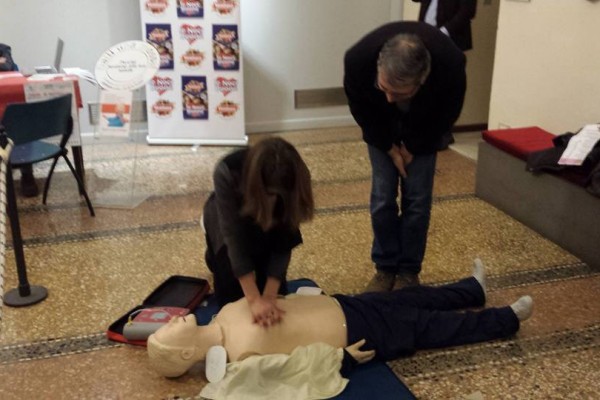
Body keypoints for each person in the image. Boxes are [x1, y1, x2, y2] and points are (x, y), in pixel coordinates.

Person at [147, 259, 534, 378]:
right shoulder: (238, 358)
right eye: (167, 333)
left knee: (415, 296)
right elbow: (293, 372)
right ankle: (506, 318)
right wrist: (342, 359)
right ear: (184, 357)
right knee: (432, 327)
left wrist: (301, 298)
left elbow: (278, 301)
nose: (171, 321)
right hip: (357, 333)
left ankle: (472, 289)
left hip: (344, 305)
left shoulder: (228, 309)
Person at [343, 22, 466, 292]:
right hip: (379, 127)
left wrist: (414, 146)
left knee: (418, 201)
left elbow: (447, 114)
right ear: (378, 67)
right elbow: (361, 109)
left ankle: (409, 271)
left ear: (422, 79)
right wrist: (388, 146)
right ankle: (385, 268)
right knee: (382, 198)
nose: (389, 98)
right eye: (383, 87)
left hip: (424, 126)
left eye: (398, 93)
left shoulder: (450, 65)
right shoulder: (358, 60)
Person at [202, 137, 314, 327]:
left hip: (269, 223)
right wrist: (253, 299)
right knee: (236, 303)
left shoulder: (292, 177)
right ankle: (213, 257)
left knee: (276, 297)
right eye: (270, 194)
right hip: (228, 217)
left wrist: (270, 295)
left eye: (277, 197)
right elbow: (232, 236)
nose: (272, 200)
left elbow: (285, 240)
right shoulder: (228, 170)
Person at [413, 0, 477, 148]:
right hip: (426, 36)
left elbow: (468, 11)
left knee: (447, 87)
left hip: (451, 39)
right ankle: (426, 129)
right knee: (426, 84)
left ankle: (444, 133)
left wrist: (443, 32)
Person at [0, 42, 38, 197]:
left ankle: (26, 172)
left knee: (20, 119)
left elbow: (7, 66)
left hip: (8, 102)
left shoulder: (3, 48)